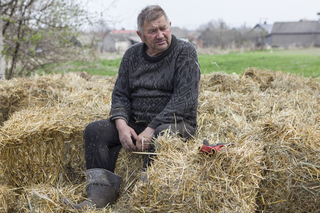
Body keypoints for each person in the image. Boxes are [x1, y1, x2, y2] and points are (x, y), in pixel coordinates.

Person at [63, 5, 201, 209]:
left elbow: (184, 100)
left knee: (161, 135)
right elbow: (120, 94)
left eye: (163, 28)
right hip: (137, 122)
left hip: (175, 123)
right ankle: (100, 196)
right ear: (140, 35)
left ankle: (145, 197)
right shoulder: (131, 56)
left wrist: (151, 128)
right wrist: (121, 125)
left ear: (170, 25)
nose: (160, 35)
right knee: (95, 130)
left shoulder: (185, 52)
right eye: (152, 31)